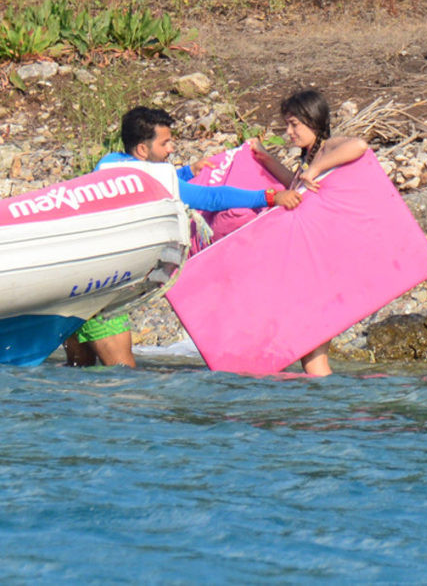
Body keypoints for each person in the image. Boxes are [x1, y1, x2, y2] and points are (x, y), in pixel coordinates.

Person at [64, 106, 302, 368]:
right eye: (165, 143)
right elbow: (212, 199)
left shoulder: (108, 163)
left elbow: (144, 179)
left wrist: (187, 172)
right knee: (125, 379)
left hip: (73, 285)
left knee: (79, 371)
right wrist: (268, 197)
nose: (171, 149)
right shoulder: (152, 176)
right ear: (143, 150)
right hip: (102, 291)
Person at [250, 89, 368, 376]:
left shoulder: (326, 148)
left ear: (313, 121)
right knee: (311, 359)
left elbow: (360, 145)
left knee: (313, 359)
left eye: (294, 125)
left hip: (325, 269)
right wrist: (265, 158)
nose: (289, 132)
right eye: (287, 125)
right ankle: (326, 411)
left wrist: (315, 168)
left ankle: (330, 414)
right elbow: (295, 186)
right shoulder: (308, 156)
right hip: (313, 267)